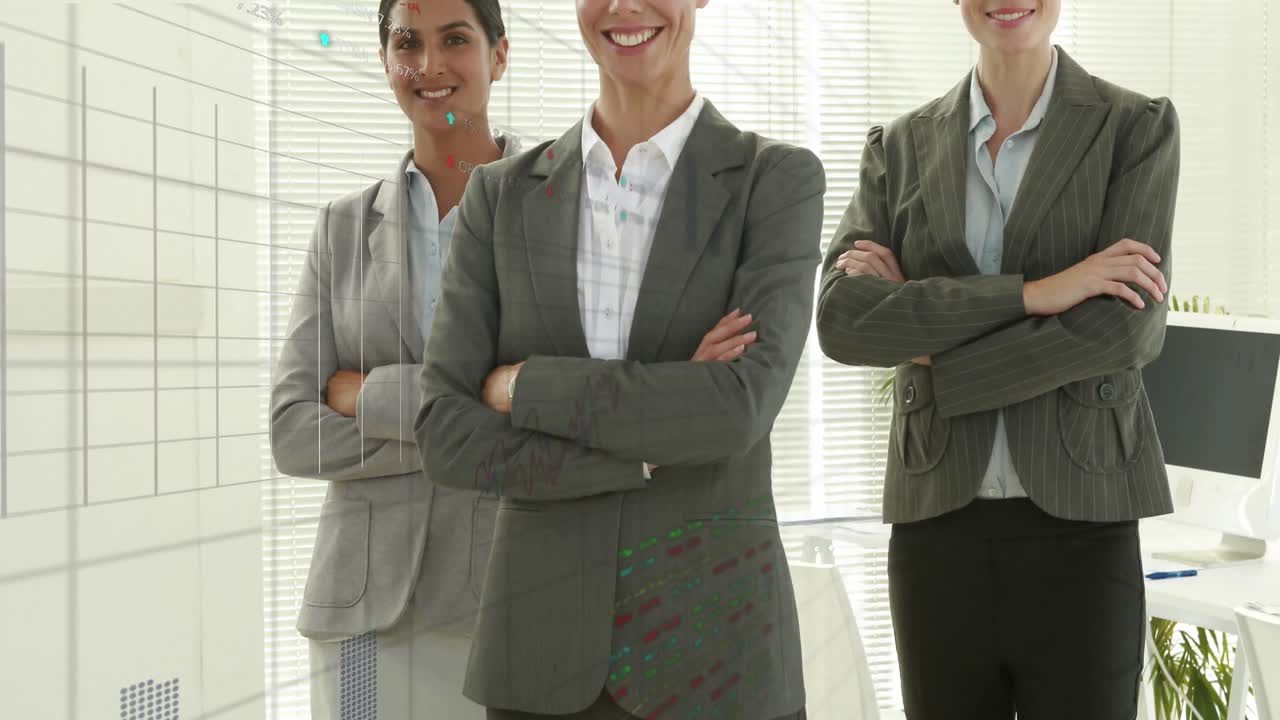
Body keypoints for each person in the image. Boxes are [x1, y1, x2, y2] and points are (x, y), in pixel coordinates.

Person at [413, 0, 826, 717]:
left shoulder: (776, 181)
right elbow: (446, 435)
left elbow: (735, 411)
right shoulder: (499, 196)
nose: (625, 6)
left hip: (717, 658)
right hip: (536, 657)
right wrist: (643, 449)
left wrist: (525, 385)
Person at [815, 1, 1180, 718]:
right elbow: (842, 321)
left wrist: (934, 351)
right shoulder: (900, 145)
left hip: (1083, 523)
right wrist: (1043, 292)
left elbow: (1123, 332)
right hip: (935, 528)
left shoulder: (1134, 129)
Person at [269, 0, 519, 717]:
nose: (429, 65)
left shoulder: (556, 213)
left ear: (498, 56)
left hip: (499, 607)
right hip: (355, 612)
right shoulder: (342, 227)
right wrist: (465, 416)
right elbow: (291, 429)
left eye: (455, 40)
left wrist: (366, 395)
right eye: (407, 43)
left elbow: (553, 418)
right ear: (385, 61)